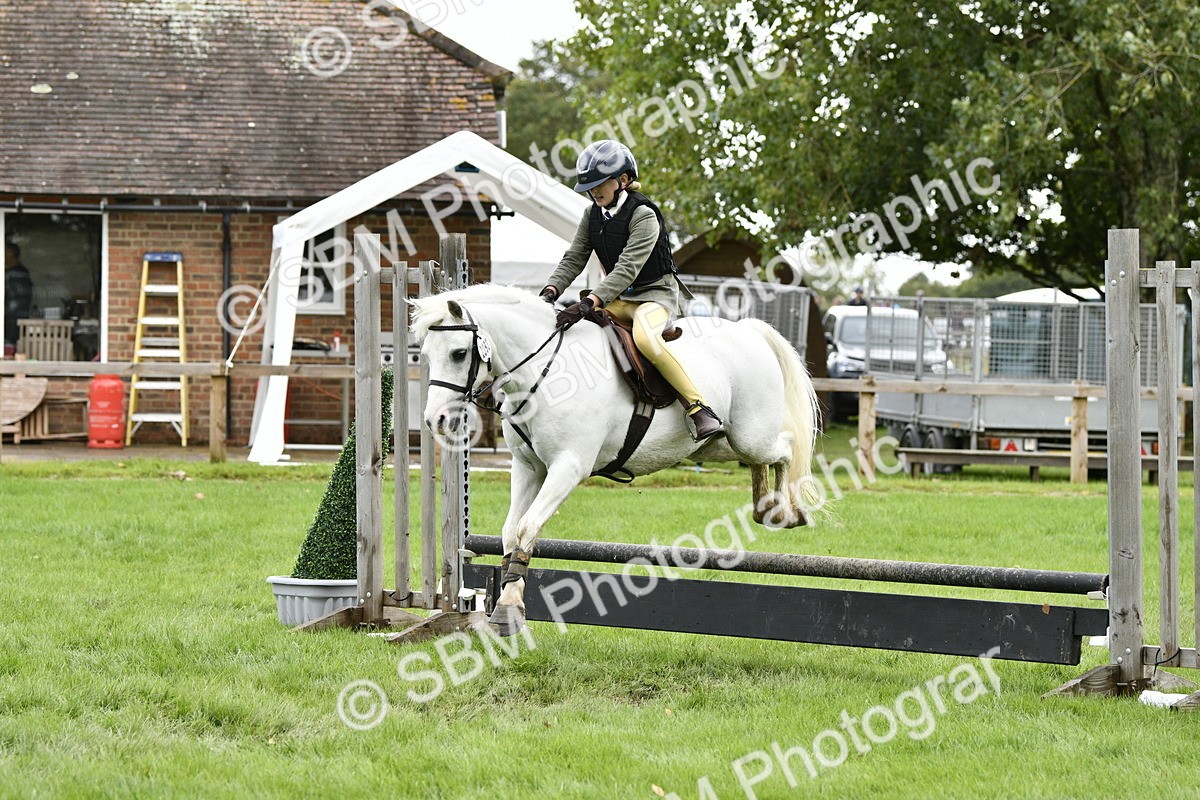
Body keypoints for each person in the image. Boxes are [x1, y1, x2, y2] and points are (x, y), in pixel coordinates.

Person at [540, 140, 723, 440]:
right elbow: (574, 257)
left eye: (600, 184)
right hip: (618, 298)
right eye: (589, 186)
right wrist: (551, 290)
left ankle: (697, 407)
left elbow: (627, 268)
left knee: (645, 339)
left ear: (623, 180)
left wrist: (592, 301)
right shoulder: (592, 215)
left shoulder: (644, 215)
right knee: (573, 330)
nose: (594, 192)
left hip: (655, 296)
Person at [4, 242, 34, 352]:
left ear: (10, 255)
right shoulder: (23, 271)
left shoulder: (11, 274)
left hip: (10, 320)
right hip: (20, 319)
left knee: (9, 349)